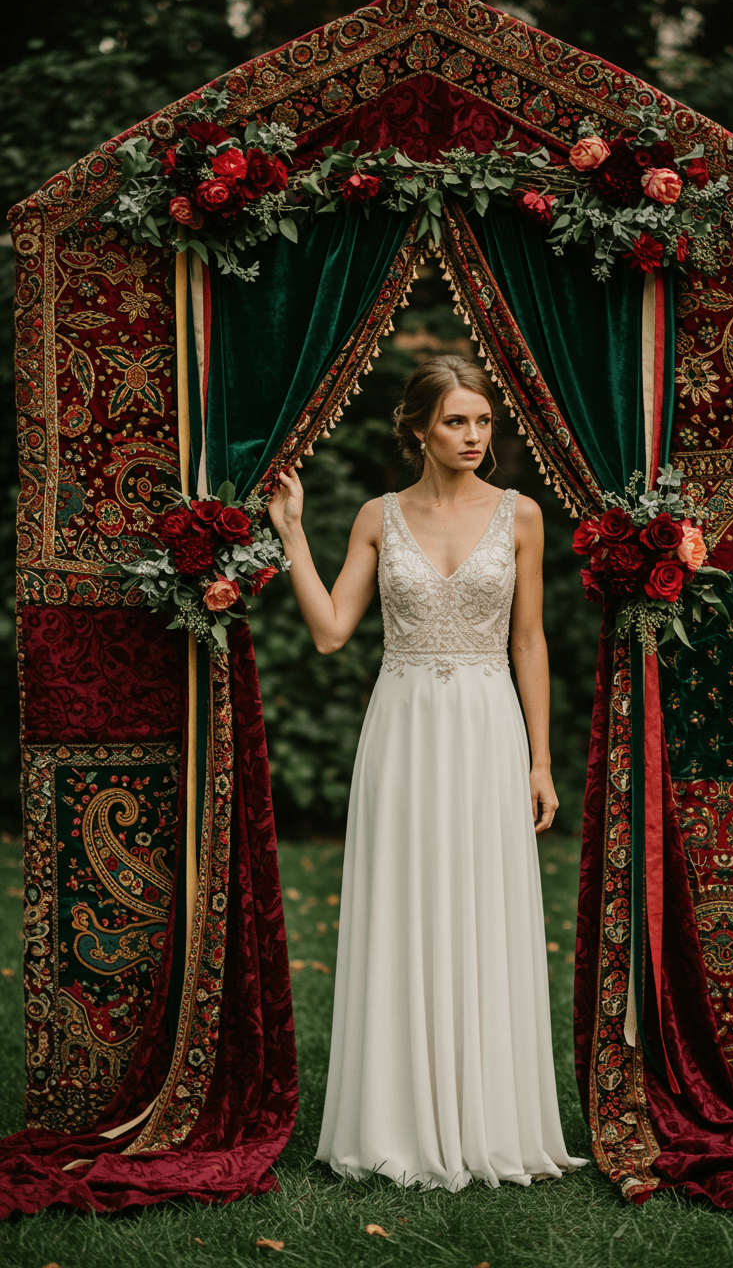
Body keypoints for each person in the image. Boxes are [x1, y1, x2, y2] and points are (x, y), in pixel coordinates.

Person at [268, 354, 586, 1191]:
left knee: (482, 904)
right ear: (417, 427)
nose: (475, 436)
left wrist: (543, 762)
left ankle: (490, 1118)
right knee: (405, 903)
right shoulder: (377, 516)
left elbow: (529, 641)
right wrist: (293, 533)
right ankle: (393, 1120)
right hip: (403, 727)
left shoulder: (522, 516)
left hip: (488, 726)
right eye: (456, 421)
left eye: (483, 421)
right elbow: (333, 630)